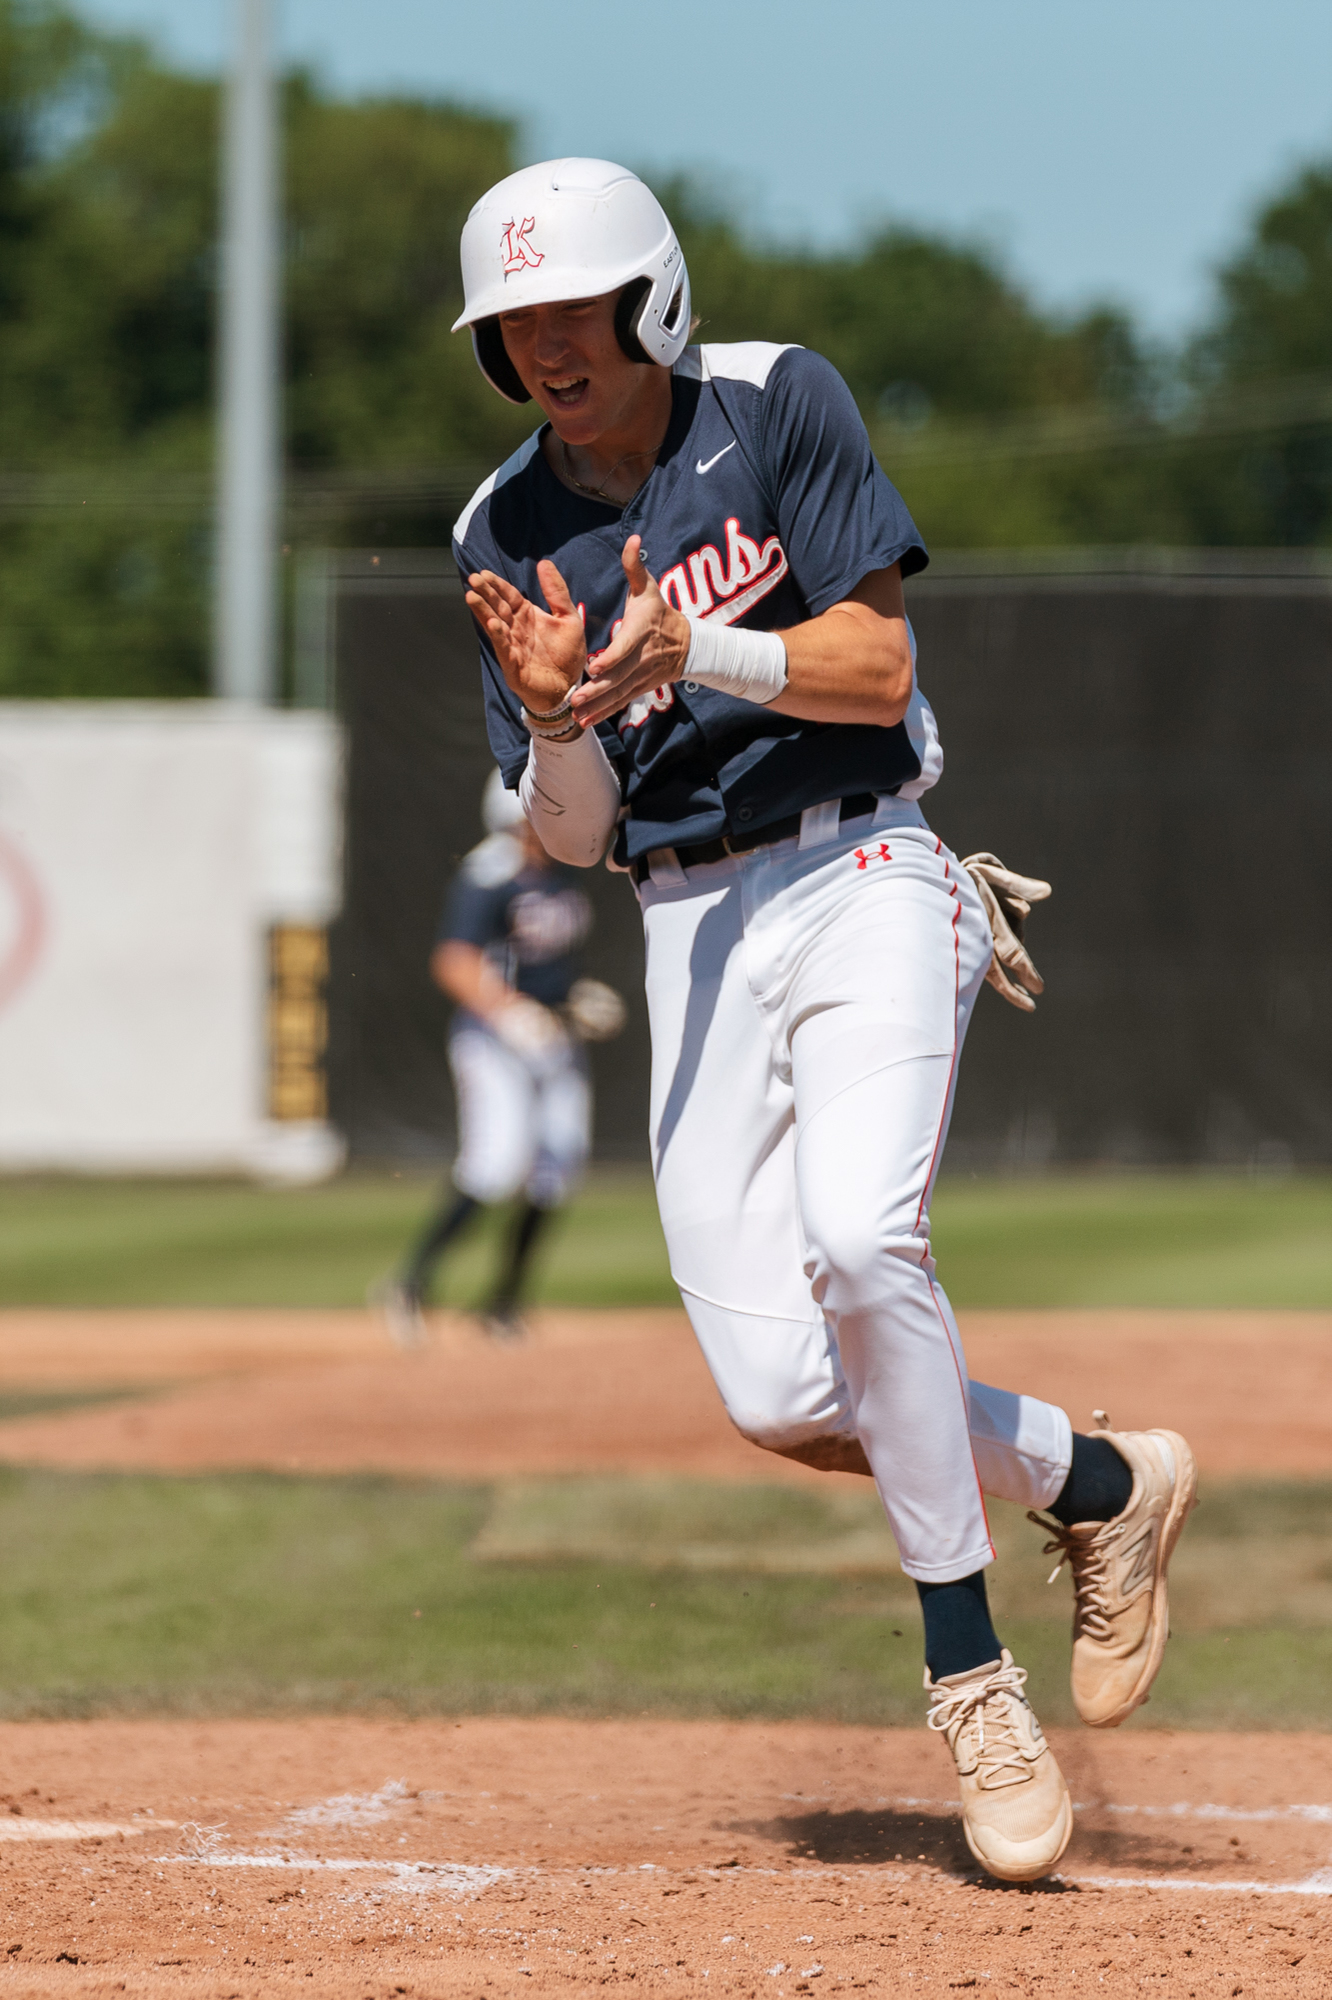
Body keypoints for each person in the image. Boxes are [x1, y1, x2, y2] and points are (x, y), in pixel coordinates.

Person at [448, 160, 1197, 1883]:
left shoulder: (775, 400)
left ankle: (968, 1685)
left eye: (573, 312)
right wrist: (563, 719)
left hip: (863, 865)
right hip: (686, 919)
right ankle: (1100, 1484)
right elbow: (563, 832)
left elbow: (872, 667)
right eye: (513, 327)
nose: (546, 350)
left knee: (863, 1248)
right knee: (782, 1390)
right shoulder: (505, 530)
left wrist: (685, 654)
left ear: (652, 302)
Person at [379, 767, 621, 1345]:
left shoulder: (562, 872)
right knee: (495, 1164)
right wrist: (512, 1013)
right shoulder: (490, 874)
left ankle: (503, 1303)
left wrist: (571, 1002)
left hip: (553, 1039)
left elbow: (546, 957)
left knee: (556, 1170)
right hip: (495, 1039)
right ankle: (410, 1283)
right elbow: (455, 961)